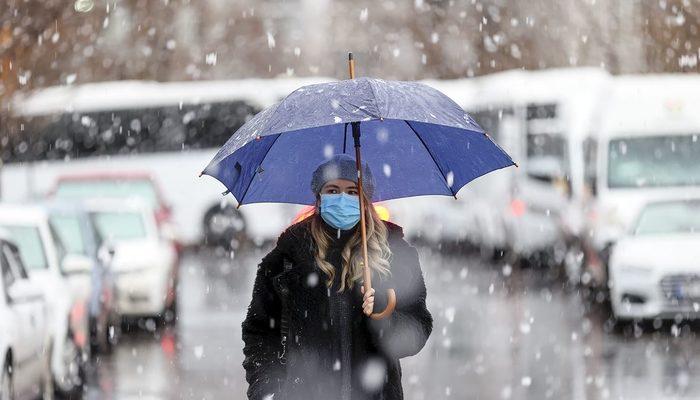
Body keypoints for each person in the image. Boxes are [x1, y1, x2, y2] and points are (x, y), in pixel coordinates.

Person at [241, 154, 433, 400]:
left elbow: (417, 333)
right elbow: (259, 334)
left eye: (353, 191)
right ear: (319, 199)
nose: (343, 199)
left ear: (365, 201)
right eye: (333, 190)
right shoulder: (286, 260)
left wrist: (385, 315)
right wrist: (267, 390)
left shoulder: (395, 253)